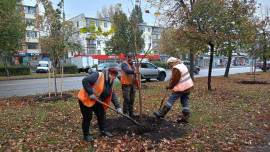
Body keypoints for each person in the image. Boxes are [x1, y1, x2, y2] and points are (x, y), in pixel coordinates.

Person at [77, 67, 123, 142]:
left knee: (101, 115)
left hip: (97, 100)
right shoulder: (98, 75)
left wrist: (118, 107)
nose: (115, 78)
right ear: (111, 75)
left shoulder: (110, 82)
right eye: (115, 76)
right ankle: (86, 135)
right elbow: (85, 80)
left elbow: (112, 95)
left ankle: (103, 131)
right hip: (86, 98)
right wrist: (90, 93)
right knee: (88, 117)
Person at [153, 57, 194, 123]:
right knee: (185, 101)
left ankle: (162, 113)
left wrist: (170, 86)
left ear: (172, 62)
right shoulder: (182, 65)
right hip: (188, 86)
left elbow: (175, 80)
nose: (169, 66)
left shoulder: (176, 68)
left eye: (169, 64)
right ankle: (185, 118)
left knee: (171, 100)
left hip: (182, 87)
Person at [120, 52, 140, 118]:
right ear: (126, 57)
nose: (130, 58)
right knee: (127, 99)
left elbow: (135, 73)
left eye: (131, 57)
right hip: (126, 84)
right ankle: (125, 113)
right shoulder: (124, 64)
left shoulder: (133, 65)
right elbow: (127, 71)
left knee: (132, 99)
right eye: (128, 57)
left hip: (132, 84)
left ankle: (131, 113)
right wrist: (134, 71)